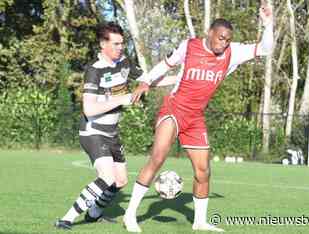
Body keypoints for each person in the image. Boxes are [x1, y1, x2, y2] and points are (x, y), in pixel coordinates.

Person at [123, 4, 273, 233]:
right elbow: (167, 64)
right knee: (158, 156)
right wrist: (146, 81)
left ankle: (199, 221)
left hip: (195, 118)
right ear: (210, 33)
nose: (223, 43)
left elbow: (265, 48)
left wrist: (268, 23)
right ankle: (130, 215)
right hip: (174, 109)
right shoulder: (189, 46)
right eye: (221, 38)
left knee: (203, 171)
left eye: (227, 40)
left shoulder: (233, 52)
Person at [55, 22, 143, 230]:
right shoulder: (94, 70)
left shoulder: (124, 63)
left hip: (112, 133)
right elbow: (89, 109)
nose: (120, 47)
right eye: (115, 44)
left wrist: (183, 77)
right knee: (106, 176)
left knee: (120, 181)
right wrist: (122, 99)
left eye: (122, 43)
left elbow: (148, 79)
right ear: (103, 44)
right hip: (93, 131)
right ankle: (66, 219)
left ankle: (94, 214)